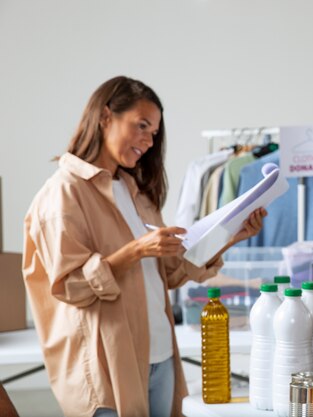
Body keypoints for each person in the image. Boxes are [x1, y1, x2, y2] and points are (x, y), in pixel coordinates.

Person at [22, 76, 267, 417]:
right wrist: (135, 251)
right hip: (109, 369)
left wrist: (231, 236)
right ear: (105, 116)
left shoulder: (134, 190)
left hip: (161, 357)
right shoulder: (63, 193)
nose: (149, 141)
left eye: (153, 133)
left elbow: (169, 273)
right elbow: (69, 286)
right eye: (141, 126)